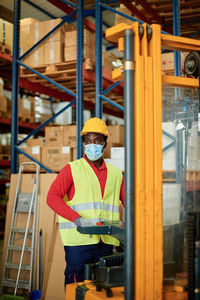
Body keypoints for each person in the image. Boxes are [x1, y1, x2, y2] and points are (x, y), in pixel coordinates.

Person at [47, 117, 125, 286]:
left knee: (104, 288)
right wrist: (77, 219)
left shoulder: (116, 174)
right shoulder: (72, 169)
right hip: (79, 243)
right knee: (77, 286)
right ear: (83, 143)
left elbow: (129, 202)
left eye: (97, 140)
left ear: (104, 143)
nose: (92, 145)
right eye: (88, 141)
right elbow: (52, 197)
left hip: (107, 242)